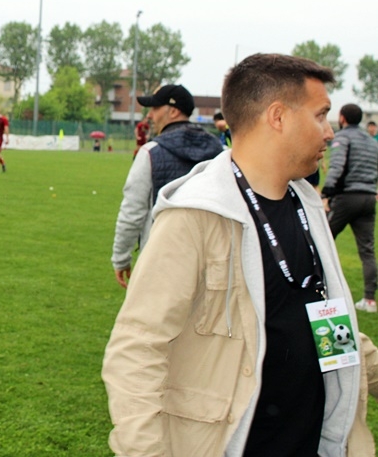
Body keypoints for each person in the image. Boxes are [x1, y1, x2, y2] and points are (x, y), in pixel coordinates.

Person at [102, 53, 378, 456]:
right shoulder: (194, 216)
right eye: (320, 115)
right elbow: (136, 349)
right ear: (278, 117)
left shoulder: (307, 205)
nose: (329, 133)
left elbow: (323, 318)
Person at [110, 84, 222, 288]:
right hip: (209, 264)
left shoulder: (150, 152)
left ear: (173, 111)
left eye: (155, 108)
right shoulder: (220, 152)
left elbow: (132, 212)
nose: (150, 115)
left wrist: (121, 258)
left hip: (160, 262)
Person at [321, 103, 378, 313]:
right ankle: (369, 300)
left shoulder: (343, 137)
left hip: (346, 198)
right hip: (368, 198)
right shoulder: (371, 141)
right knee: (367, 251)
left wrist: (326, 193)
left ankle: (320, 292)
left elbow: (337, 167)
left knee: (322, 241)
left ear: (342, 118)